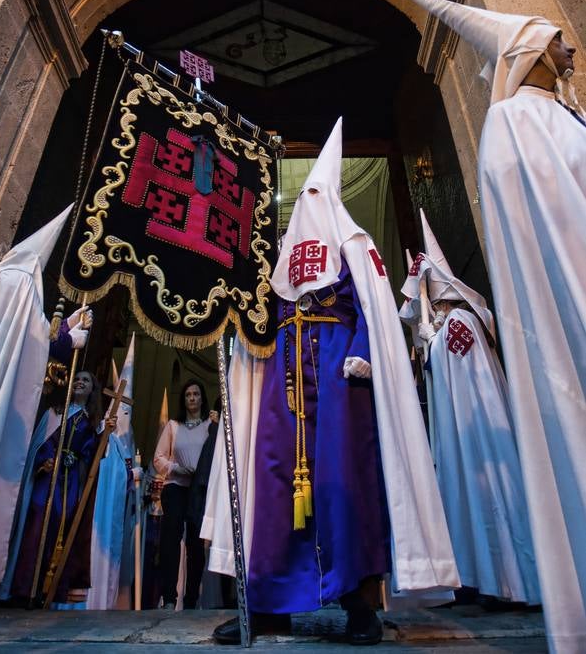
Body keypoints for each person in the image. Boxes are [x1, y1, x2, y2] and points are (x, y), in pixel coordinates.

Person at [204, 118, 459, 646]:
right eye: (306, 195)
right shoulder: (278, 257)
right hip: (282, 379)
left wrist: (364, 352)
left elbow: (374, 309)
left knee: (345, 488)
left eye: (319, 192)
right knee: (272, 487)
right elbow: (258, 311)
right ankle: (271, 604)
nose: (309, 202)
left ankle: (360, 604)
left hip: (342, 381)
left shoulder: (355, 244)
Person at [399, 0, 586, 654]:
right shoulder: (514, 121)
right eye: (558, 35)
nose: (569, 45)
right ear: (531, 49)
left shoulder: (563, 115)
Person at [400, 209, 539, 606]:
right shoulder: (447, 324)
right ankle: (480, 580)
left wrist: (435, 341)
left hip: (481, 434)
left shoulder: (460, 320)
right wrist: (426, 340)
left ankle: (511, 584)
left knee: (494, 501)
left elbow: (464, 369)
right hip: (459, 434)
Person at [0, 204, 85, 584]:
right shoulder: (22, 282)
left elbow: (29, 332)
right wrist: (68, 339)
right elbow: (32, 339)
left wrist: (64, 330)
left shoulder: (0, 276)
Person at [0, 370, 112, 605]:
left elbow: (91, 454)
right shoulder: (54, 413)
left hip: (69, 482)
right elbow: (42, 441)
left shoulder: (90, 421)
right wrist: (44, 459)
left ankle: (47, 591)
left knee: (62, 523)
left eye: (86, 380)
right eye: (77, 378)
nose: (80, 382)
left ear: (92, 389)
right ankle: (24, 587)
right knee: (38, 518)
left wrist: (104, 435)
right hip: (48, 477)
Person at [153, 379, 217, 610]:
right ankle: (169, 597)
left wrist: (217, 425)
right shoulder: (173, 425)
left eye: (196, 394)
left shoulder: (210, 425)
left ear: (202, 398)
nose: (192, 398)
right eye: (188, 394)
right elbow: (158, 458)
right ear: (184, 399)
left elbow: (218, 454)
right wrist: (176, 468)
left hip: (198, 490)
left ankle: (191, 599)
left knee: (196, 546)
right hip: (175, 488)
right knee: (170, 542)